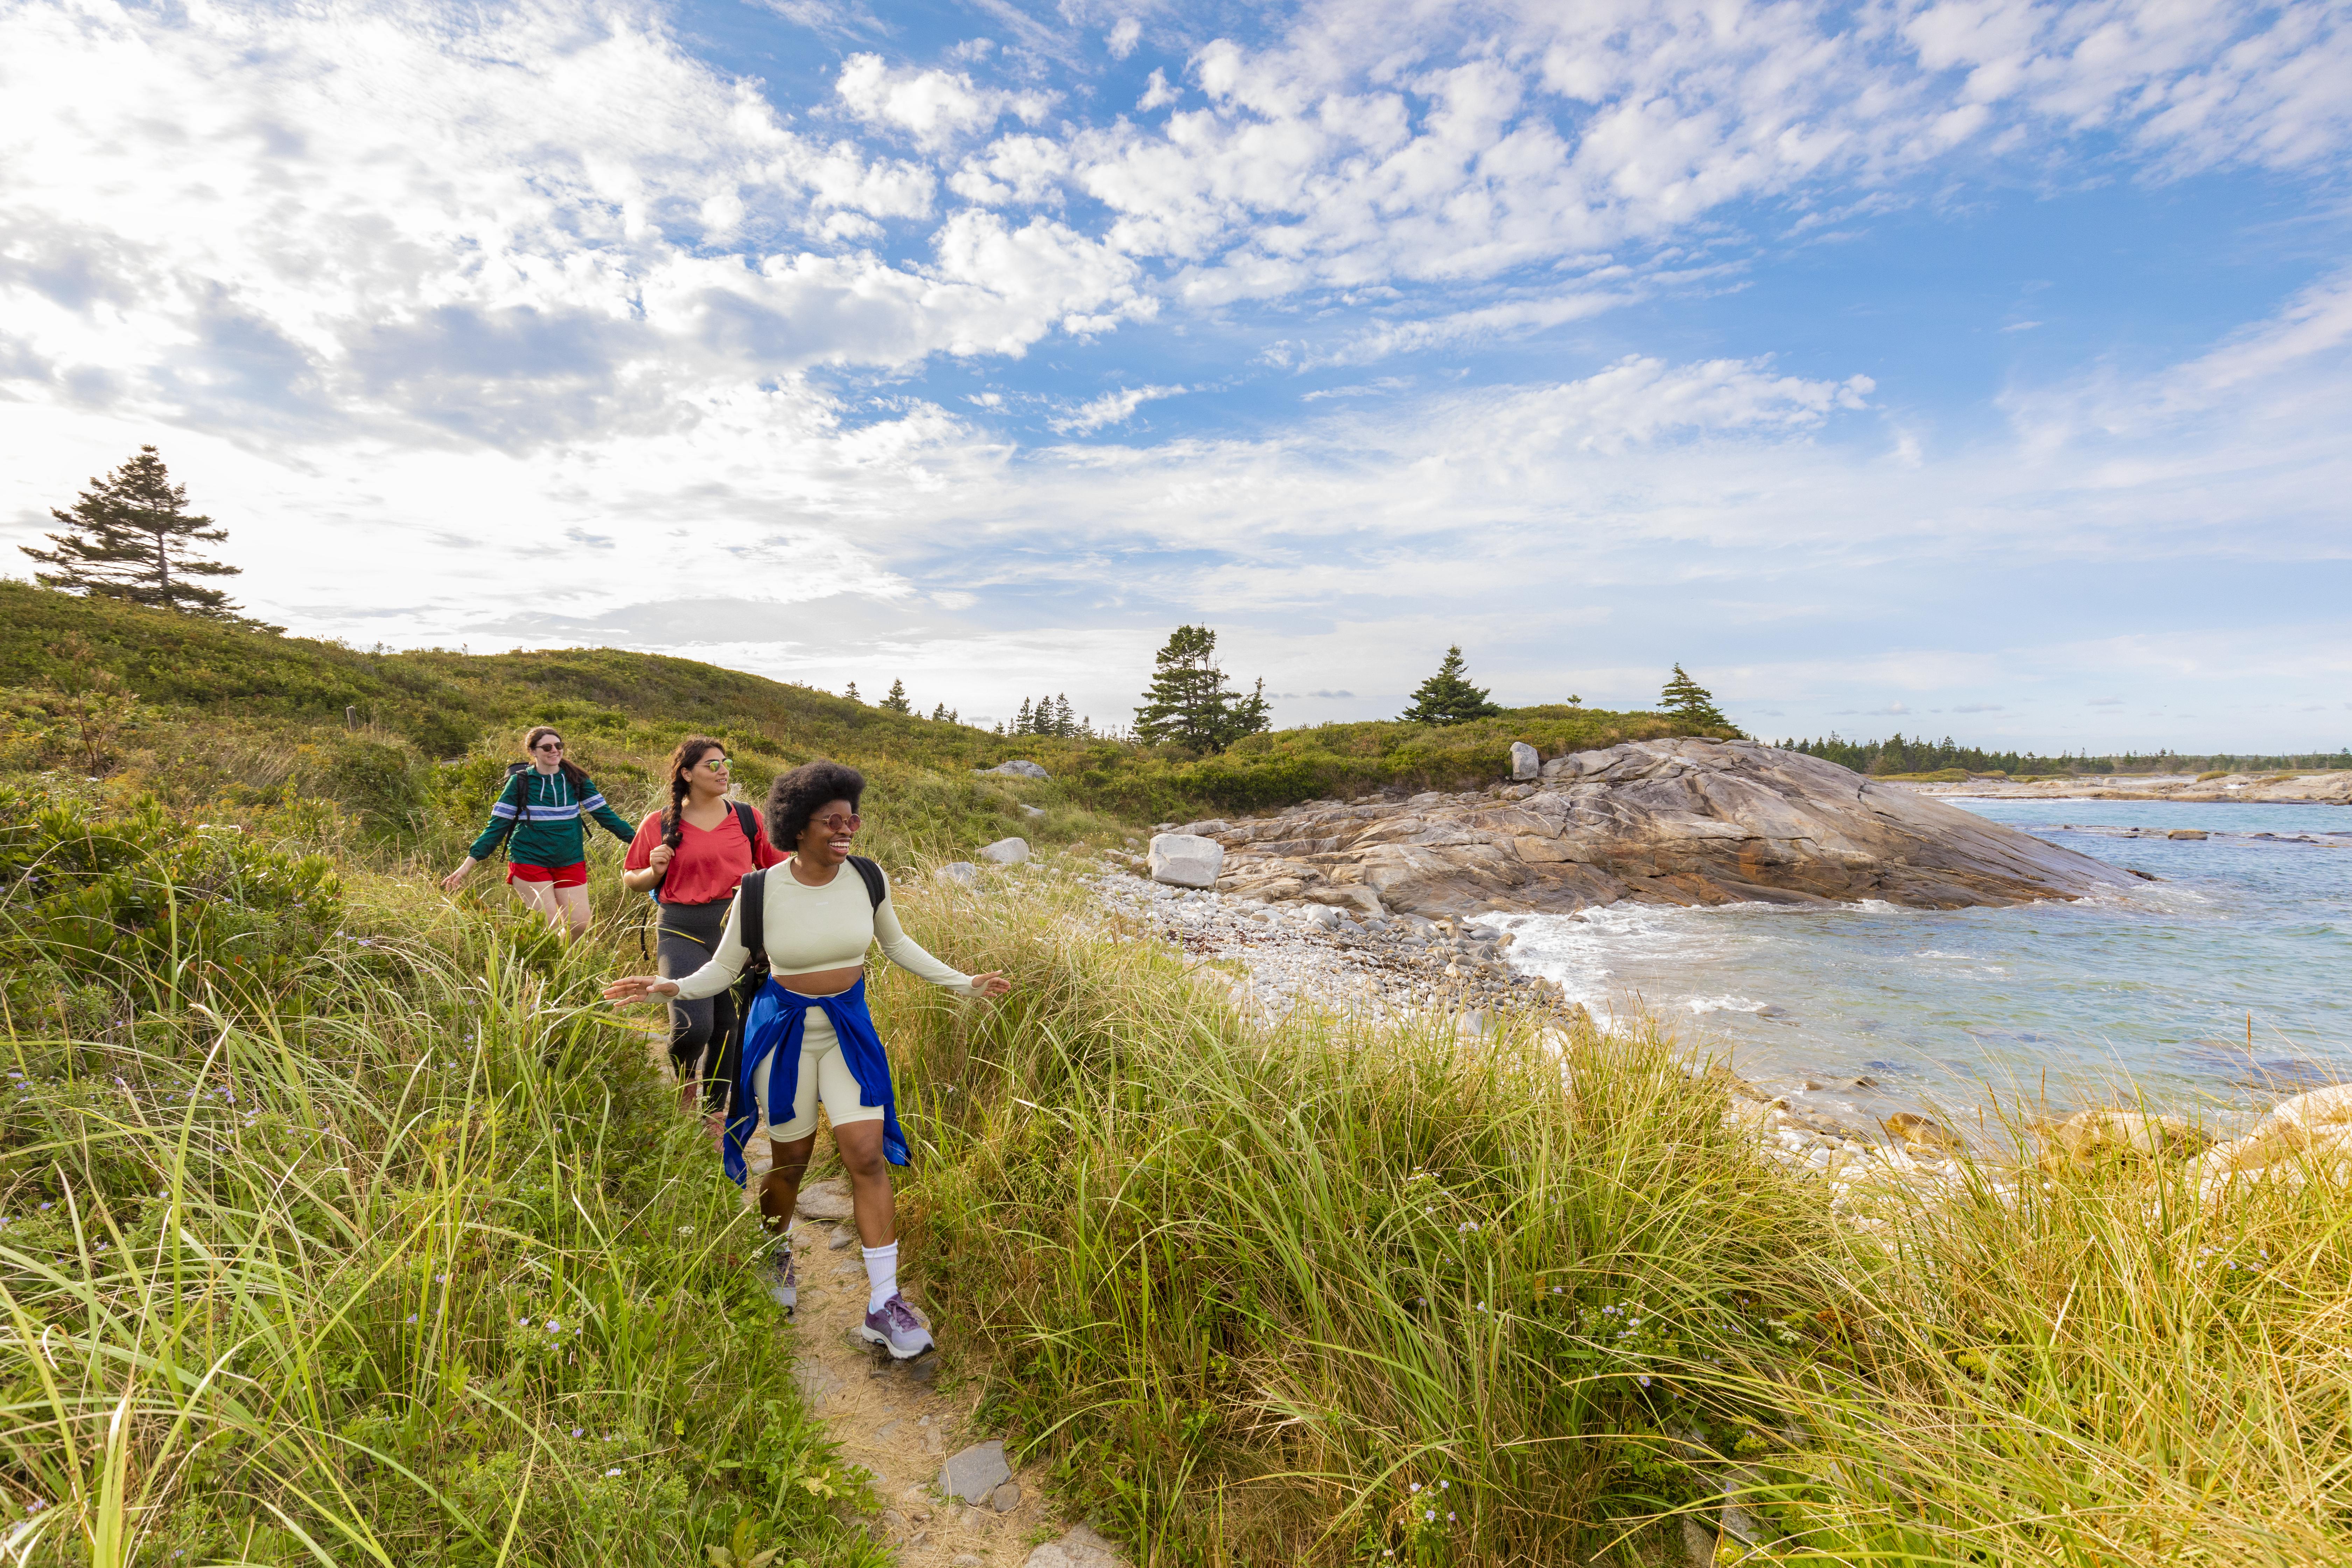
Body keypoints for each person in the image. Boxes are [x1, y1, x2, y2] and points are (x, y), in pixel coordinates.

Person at [603, 760, 1009, 1357]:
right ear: (799, 827)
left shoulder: (868, 878)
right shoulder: (761, 889)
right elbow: (723, 967)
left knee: (866, 1155)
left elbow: (896, 945)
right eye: (833, 820)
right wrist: (672, 988)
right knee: (791, 1159)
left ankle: (884, 1302)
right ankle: (776, 1249)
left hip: (848, 1031)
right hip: (785, 1033)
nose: (847, 830)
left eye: (853, 819)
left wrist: (965, 983)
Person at [620, 737, 782, 1132]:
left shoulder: (748, 818)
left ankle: (713, 1113)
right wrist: (653, 872)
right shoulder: (658, 824)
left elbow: (777, 870)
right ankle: (685, 1080)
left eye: (725, 762)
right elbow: (632, 880)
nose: (724, 769)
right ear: (687, 773)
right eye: (712, 764)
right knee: (695, 1026)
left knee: (730, 1028)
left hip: (739, 931)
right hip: (681, 928)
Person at [442, 726, 635, 938]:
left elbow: (607, 817)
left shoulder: (577, 780)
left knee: (579, 924)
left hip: (570, 860)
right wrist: (467, 866)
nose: (554, 751)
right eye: (547, 747)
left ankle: (562, 963)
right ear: (533, 752)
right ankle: (551, 966)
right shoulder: (520, 782)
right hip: (529, 861)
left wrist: (640, 842)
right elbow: (497, 827)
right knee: (550, 926)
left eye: (558, 746)